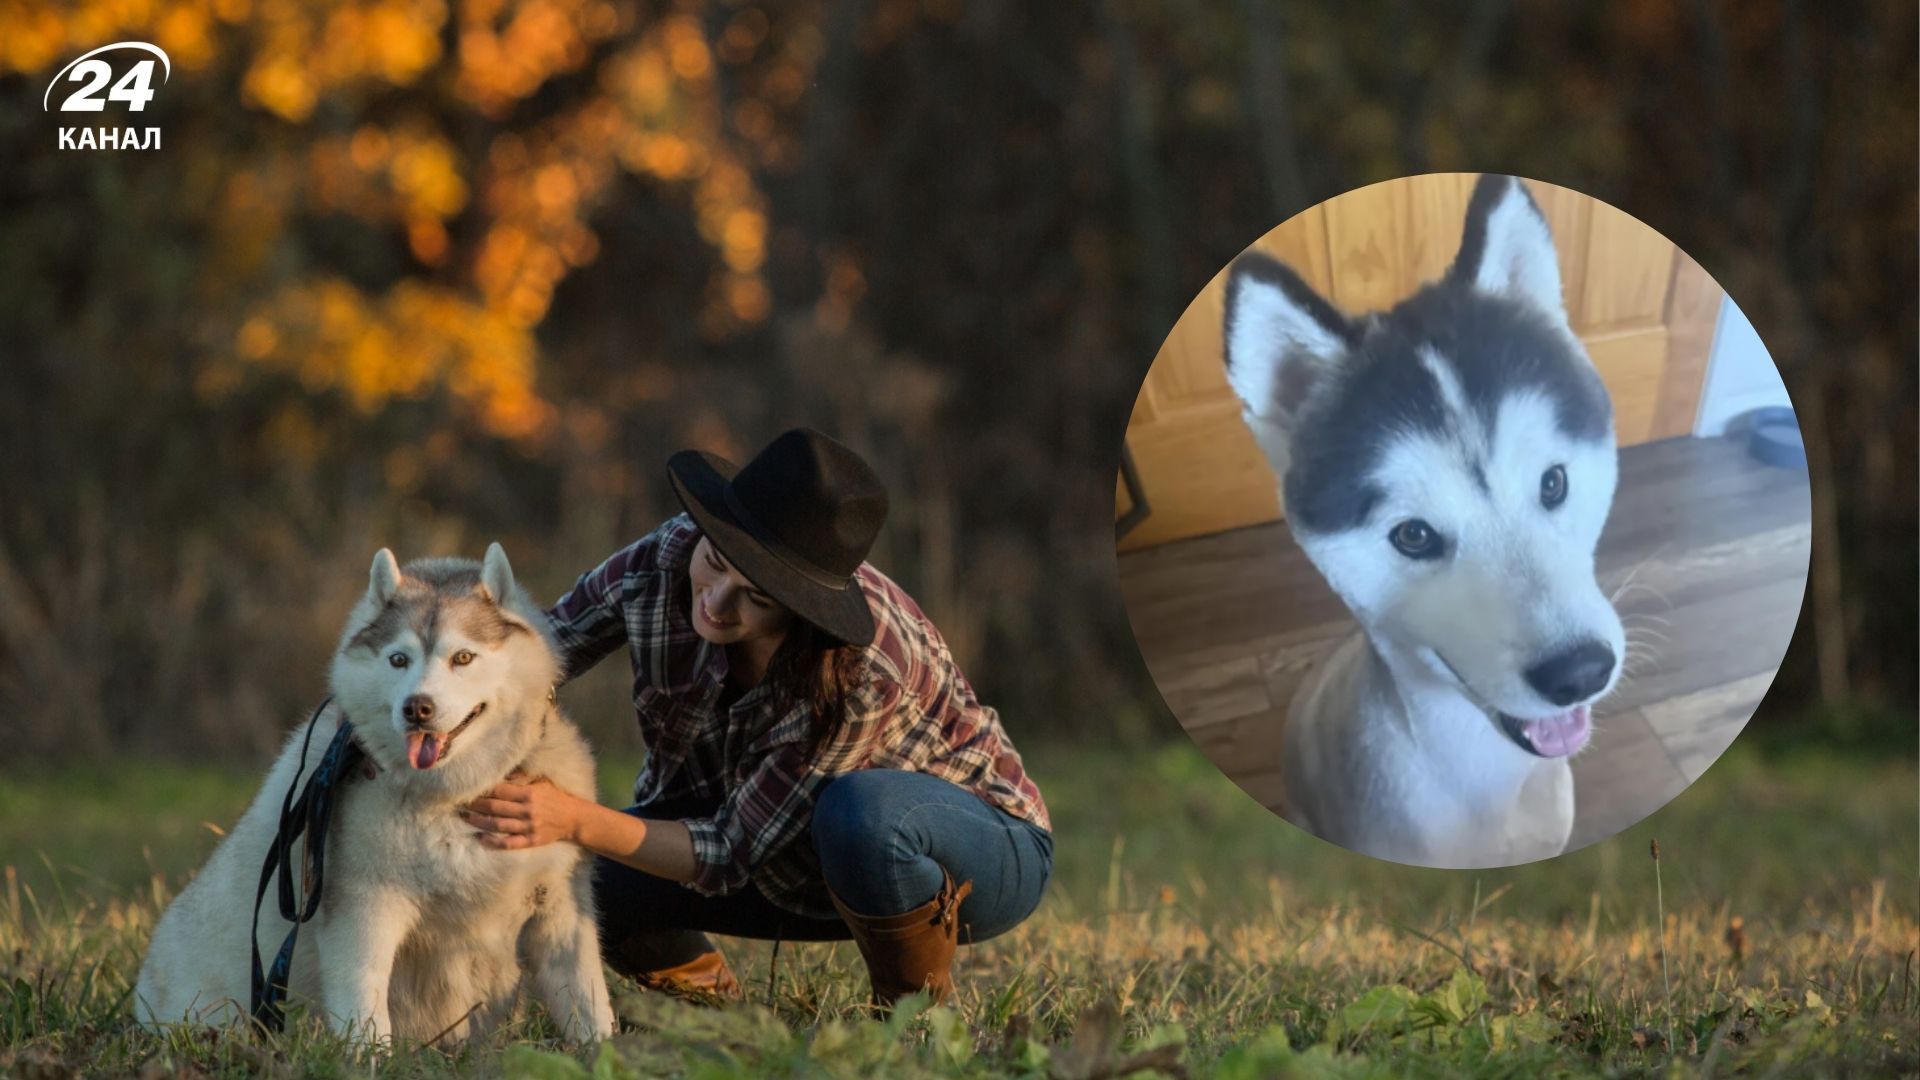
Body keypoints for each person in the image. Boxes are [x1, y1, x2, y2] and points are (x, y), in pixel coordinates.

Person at [457, 428, 1053, 1007]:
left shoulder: (864, 671)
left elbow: (724, 851)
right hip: (782, 859)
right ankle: (724, 1017)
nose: (716, 602)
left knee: (861, 815)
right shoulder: (665, 557)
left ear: (802, 609)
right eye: (715, 562)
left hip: (970, 851)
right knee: (594, 877)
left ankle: (910, 1019)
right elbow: (535, 651)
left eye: (757, 597)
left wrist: (570, 816)